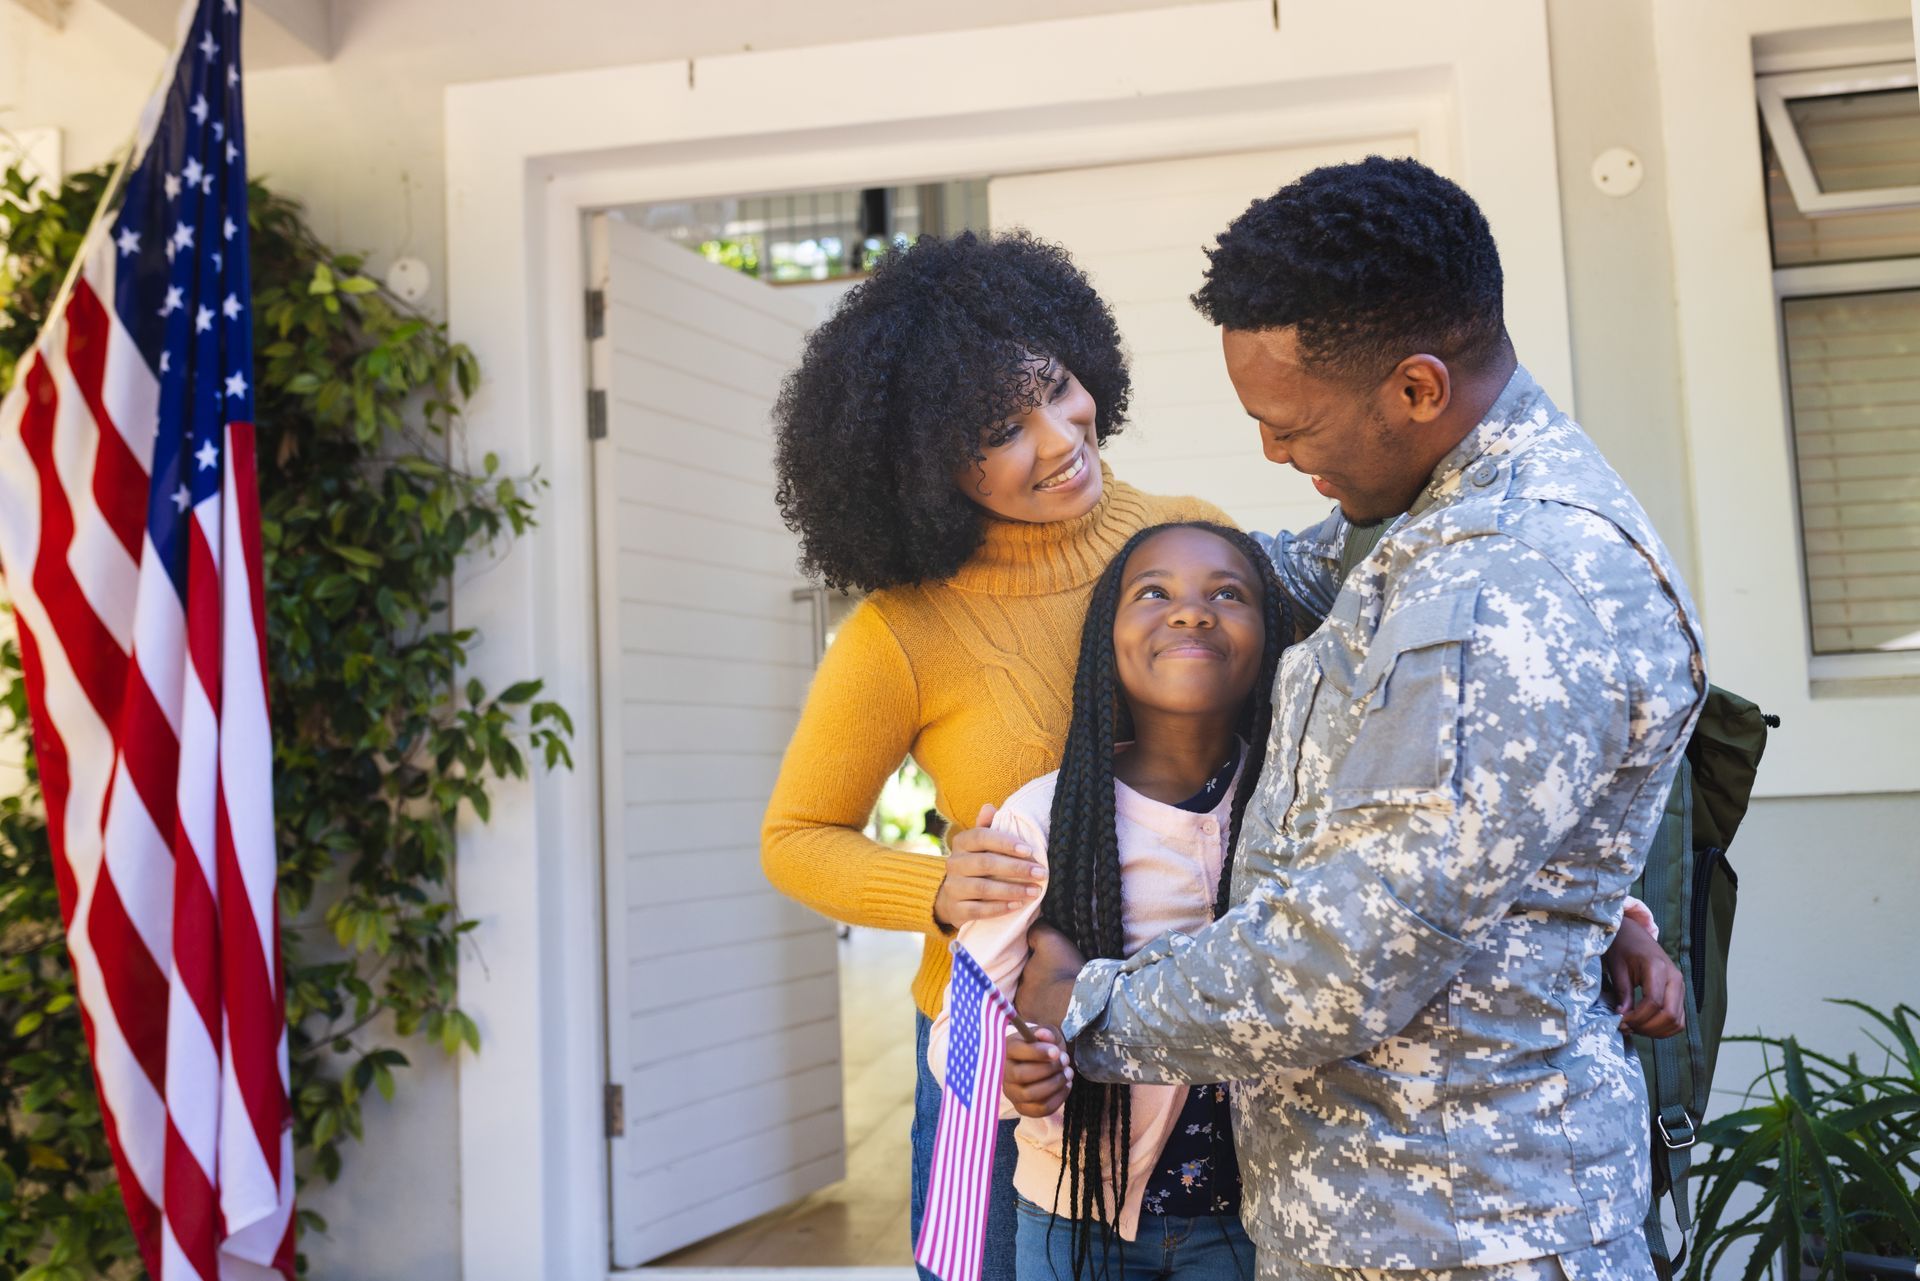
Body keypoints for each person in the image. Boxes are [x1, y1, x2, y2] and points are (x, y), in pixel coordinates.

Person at [1006, 157, 1708, 1281]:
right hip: (1380, 1226)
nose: (1275, 455)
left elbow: (1348, 959)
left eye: (1290, 425)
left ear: (1418, 390)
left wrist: (1081, 1005)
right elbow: (1241, 580)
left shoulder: (1508, 590)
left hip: (1467, 1239)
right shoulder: (1418, 519)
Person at [760, 230, 1234, 1280]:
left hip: (1191, 1041)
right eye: (998, 431)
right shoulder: (900, 633)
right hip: (992, 1049)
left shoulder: (1195, 543)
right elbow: (795, 839)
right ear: (923, 468)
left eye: (1059, 390)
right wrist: (936, 889)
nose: (1059, 437)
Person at [930, 521, 1284, 1281]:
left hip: (1251, 1219)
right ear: (1106, 637)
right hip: (1072, 1218)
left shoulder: (1297, 803)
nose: (1191, 612)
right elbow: (960, 1033)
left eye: (1228, 593)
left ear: (1274, 634)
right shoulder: (1045, 819)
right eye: (1154, 592)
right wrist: (1008, 1066)